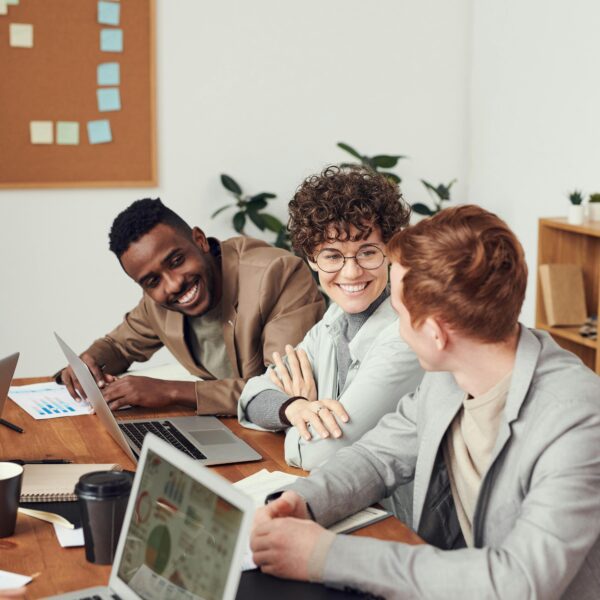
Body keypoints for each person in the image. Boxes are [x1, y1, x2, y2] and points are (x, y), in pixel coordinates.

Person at [250, 205, 600, 599]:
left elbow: (518, 581)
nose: (395, 327)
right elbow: (376, 457)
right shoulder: (447, 378)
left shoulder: (577, 419)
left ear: (435, 333)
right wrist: (304, 502)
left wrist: (325, 556)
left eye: (399, 312)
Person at [56, 198, 325, 415]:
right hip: (231, 429)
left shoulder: (277, 274)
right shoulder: (157, 304)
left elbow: (282, 390)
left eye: (175, 261)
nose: (172, 285)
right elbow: (118, 346)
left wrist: (171, 392)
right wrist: (89, 363)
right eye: (152, 281)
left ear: (199, 240)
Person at [238, 166, 423, 472]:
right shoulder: (332, 322)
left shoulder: (404, 339)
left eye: (367, 253)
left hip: (392, 515)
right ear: (312, 259)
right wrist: (295, 407)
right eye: (333, 256)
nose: (351, 272)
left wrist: (290, 415)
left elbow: (318, 455)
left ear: (390, 251)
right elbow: (251, 395)